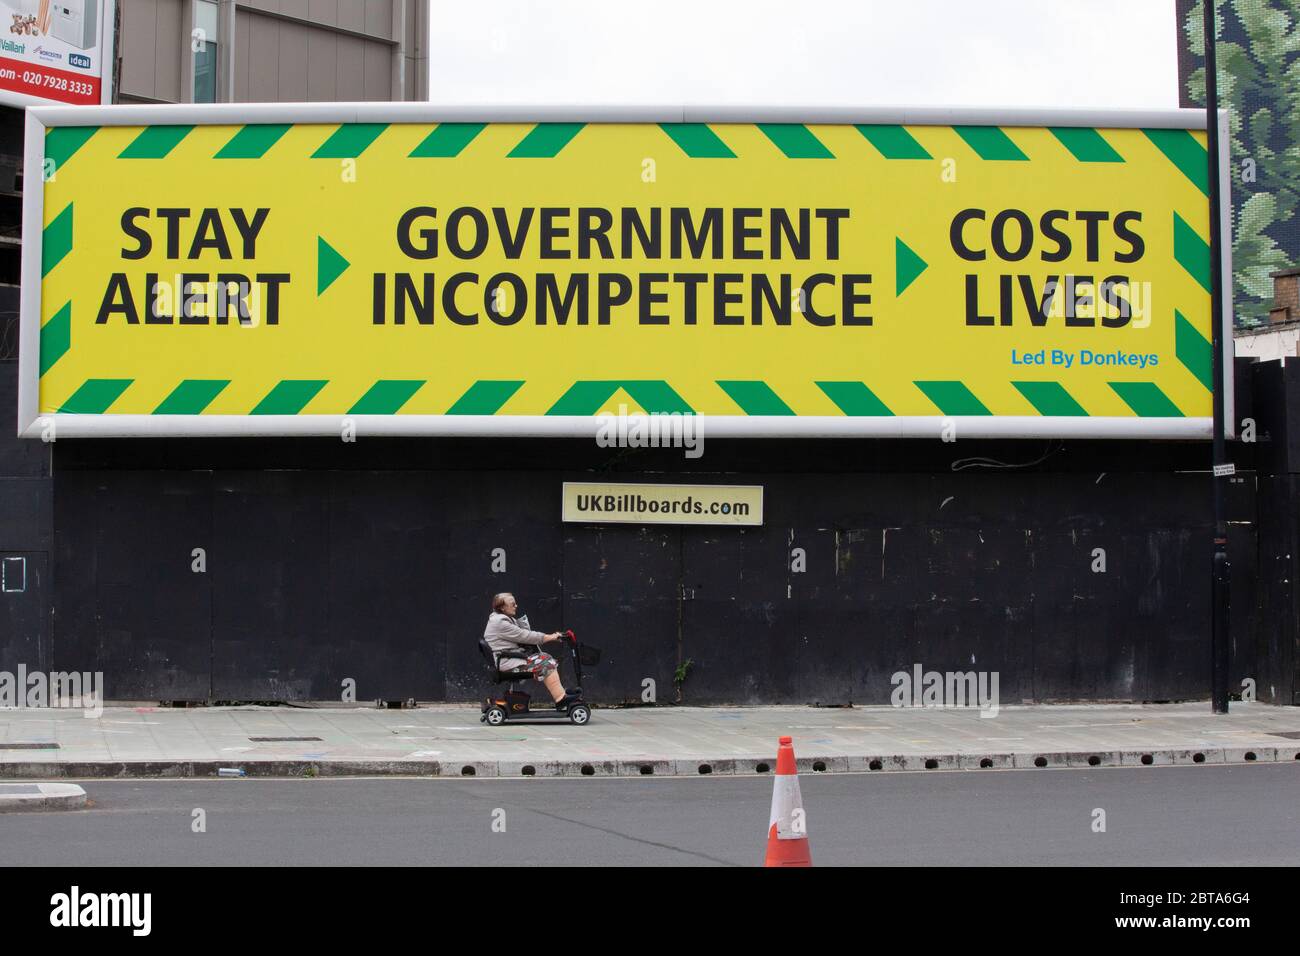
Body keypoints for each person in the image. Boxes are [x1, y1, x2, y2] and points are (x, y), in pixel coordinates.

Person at [483, 592, 576, 709]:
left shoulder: (500, 619)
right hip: (506, 662)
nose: (516, 606)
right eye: (512, 604)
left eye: (515, 603)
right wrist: (551, 637)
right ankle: (561, 699)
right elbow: (526, 636)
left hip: (506, 659)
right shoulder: (500, 623)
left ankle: (561, 694)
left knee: (544, 657)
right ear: (502, 607)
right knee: (546, 662)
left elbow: (523, 634)